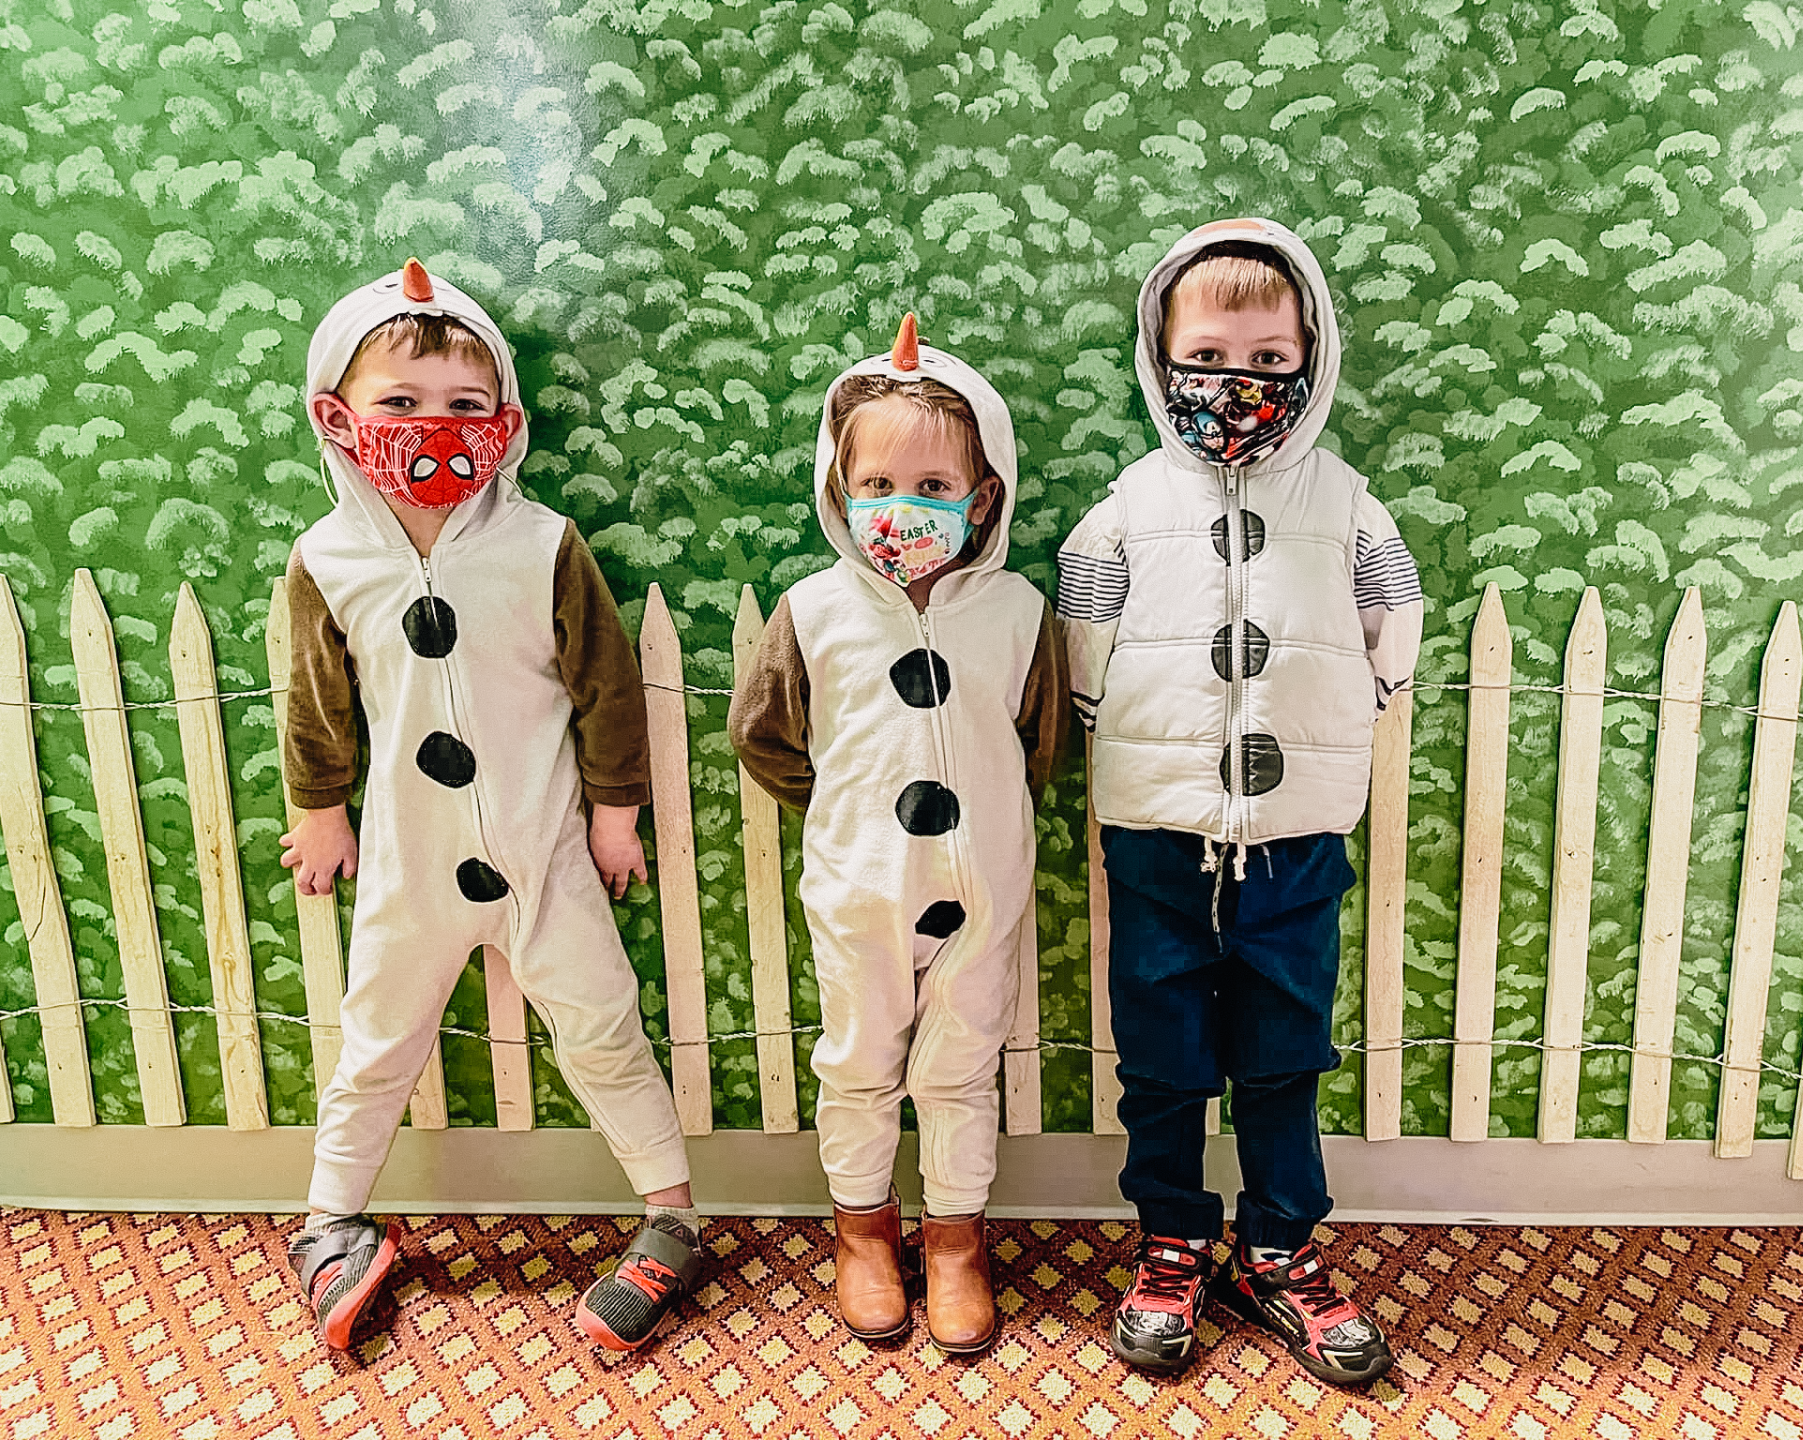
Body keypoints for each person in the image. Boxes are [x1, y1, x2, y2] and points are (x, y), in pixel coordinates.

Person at [281, 259, 700, 1354]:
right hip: (410, 859)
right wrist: (320, 808)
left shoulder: (542, 543)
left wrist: (614, 812)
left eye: (466, 404)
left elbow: (605, 684)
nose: (437, 425)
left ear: (504, 424)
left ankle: (671, 1214)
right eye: (401, 401)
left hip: (542, 845)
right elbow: (317, 699)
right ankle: (328, 1220)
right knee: (378, 1036)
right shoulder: (327, 558)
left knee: (602, 1023)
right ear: (338, 419)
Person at [1057, 218, 1422, 1385]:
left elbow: (1393, 606)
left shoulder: (1343, 499)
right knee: (1161, 1058)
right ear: (1162, 359)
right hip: (1156, 832)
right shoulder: (1132, 502)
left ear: (1310, 358)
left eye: (1269, 360)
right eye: (1209, 357)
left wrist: (1367, 694)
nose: (1237, 382)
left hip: (1297, 835)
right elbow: (1083, 618)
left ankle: (1279, 1248)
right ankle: (1172, 1239)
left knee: (1284, 1054)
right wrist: (1098, 716)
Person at [728, 315, 1067, 1354]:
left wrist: (986, 816)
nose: (901, 507)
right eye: (876, 484)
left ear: (981, 497)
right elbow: (763, 736)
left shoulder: (1017, 612)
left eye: (931, 486)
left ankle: (956, 1239)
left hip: (982, 892)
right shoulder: (813, 611)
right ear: (840, 489)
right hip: (859, 887)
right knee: (859, 1062)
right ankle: (864, 1231)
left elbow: (1041, 741)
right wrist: (845, 815)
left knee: (962, 1066)